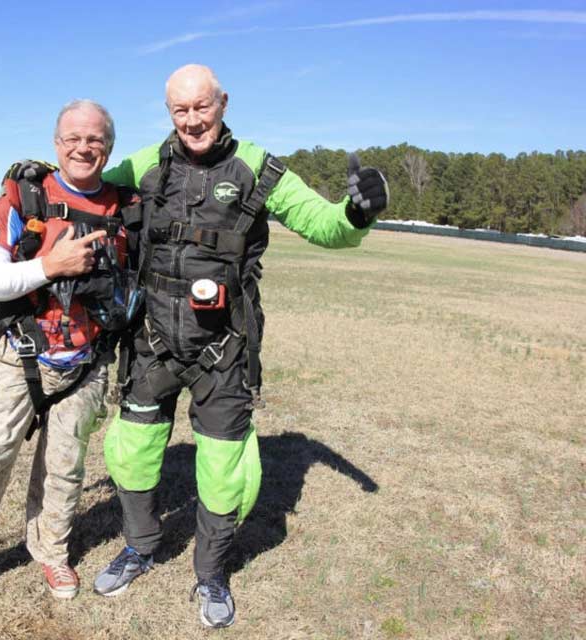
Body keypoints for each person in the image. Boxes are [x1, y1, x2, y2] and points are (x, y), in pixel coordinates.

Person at [88, 64, 390, 628]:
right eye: (181, 110)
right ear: (168, 111)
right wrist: (41, 180)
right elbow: (88, 186)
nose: (192, 119)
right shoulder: (147, 166)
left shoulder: (259, 167)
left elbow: (324, 224)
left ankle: (212, 573)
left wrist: (356, 213)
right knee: (131, 448)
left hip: (222, 346)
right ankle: (139, 545)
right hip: (152, 340)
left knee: (224, 467)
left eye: (202, 106)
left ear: (223, 102)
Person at [0, 99, 138, 617]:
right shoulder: (27, 197)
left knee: (64, 471)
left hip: (86, 363)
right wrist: (51, 265)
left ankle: (51, 553)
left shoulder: (128, 207)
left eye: (94, 139)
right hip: (19, 357)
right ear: (56, 145)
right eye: (72, 139)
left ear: (108, 147)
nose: (83, 148)